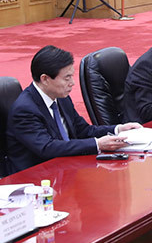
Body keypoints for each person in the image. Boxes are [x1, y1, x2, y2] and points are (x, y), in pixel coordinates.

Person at [5, 46, 142, 174]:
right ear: (45, 79)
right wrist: (97, 144)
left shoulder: (61, 97)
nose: (72, 83)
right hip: (35, 176)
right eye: (67, 78)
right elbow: (47, 148)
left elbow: (83, 130)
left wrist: (118, 129)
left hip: (64, 168)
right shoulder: (24, 110)